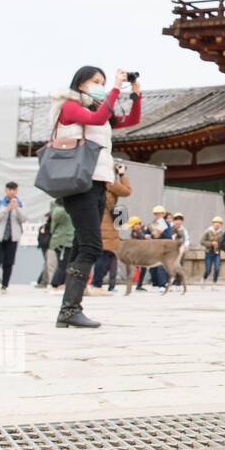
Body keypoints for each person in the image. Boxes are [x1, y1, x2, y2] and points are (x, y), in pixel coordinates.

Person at [48, 66, 142, 327]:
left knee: (82, 246)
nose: (100, 85)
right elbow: (100, 118)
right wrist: (114, 86)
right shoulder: (69, 106)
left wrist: (135, 96)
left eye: (103, 81)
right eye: (95, 81)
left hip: (99, 183)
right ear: (80, 83)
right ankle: (70, 309)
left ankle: (68, 312)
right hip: (80, 183)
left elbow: (129, 121)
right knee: (91, 246)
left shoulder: (95, 109)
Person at [91, 163, 131, 294]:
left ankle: (96, 283)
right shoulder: (109, 181)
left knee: (102, 254)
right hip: (106, 222)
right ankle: (96, 284)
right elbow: (127, 190)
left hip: (95, 219)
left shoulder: (93, 180)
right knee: (105, 254)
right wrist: (122, 174)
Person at [0, 181, 28, 293]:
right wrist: (7, 209)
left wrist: (16, 208)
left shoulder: (21, 203)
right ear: (6, 190)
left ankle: (5, 286)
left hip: (12, 237)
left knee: (8, 262)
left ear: (17, 190)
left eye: (14, 189)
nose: (12, 192)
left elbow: (24, 218)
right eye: (10, 189)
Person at [47, 197, 75, 290]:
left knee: (62, 264)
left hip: (59, 240)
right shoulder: (64, 211)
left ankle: (58, 284)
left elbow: (52, 228)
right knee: (63, 264)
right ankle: (56, 283)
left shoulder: (56, 210)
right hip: (65, 240)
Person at [201, 216, 224, 283]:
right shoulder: (208, 231)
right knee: (208, 270)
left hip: (217, 253)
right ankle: (204, 278)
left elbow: (222, 243)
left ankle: (214, 282)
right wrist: (211, 243)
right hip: (209, 252)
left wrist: (219, 244)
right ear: (213, 223)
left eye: (219, 223)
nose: (217, 224)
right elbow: (202, 241)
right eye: (216, 223)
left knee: (217, 268)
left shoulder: (221, 233)